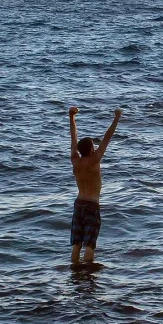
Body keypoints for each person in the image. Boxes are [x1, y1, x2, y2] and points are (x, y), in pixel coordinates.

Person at [68, 105, 122, 265]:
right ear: (91, 150)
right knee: (90, 245)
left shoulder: (75, 160)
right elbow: (108, 136)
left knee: (76, 244)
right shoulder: (94, 160)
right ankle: (88, 276)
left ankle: (75, 275)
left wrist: (71, 117)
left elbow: (73, 138)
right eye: (94, 146)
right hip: (92, 205)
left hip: (78, 204)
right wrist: (117, 117)